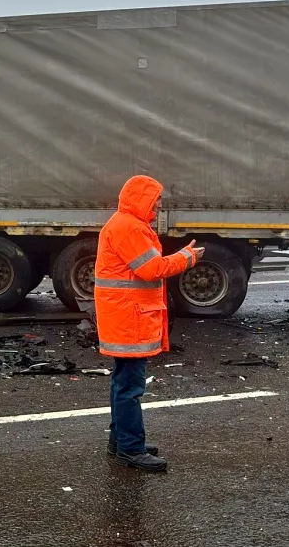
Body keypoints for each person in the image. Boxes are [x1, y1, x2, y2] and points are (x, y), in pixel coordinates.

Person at [95, 175, 203, 472]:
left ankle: (121, 442)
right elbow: (152, 269)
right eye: (155, 200)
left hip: (124, 317)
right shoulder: (130, 228)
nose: (158, 205)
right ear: (141, 199)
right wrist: (187, 257)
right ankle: (131, 448)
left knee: (122, 383)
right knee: (130, 386)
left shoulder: (123, 224)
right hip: (130, 319)